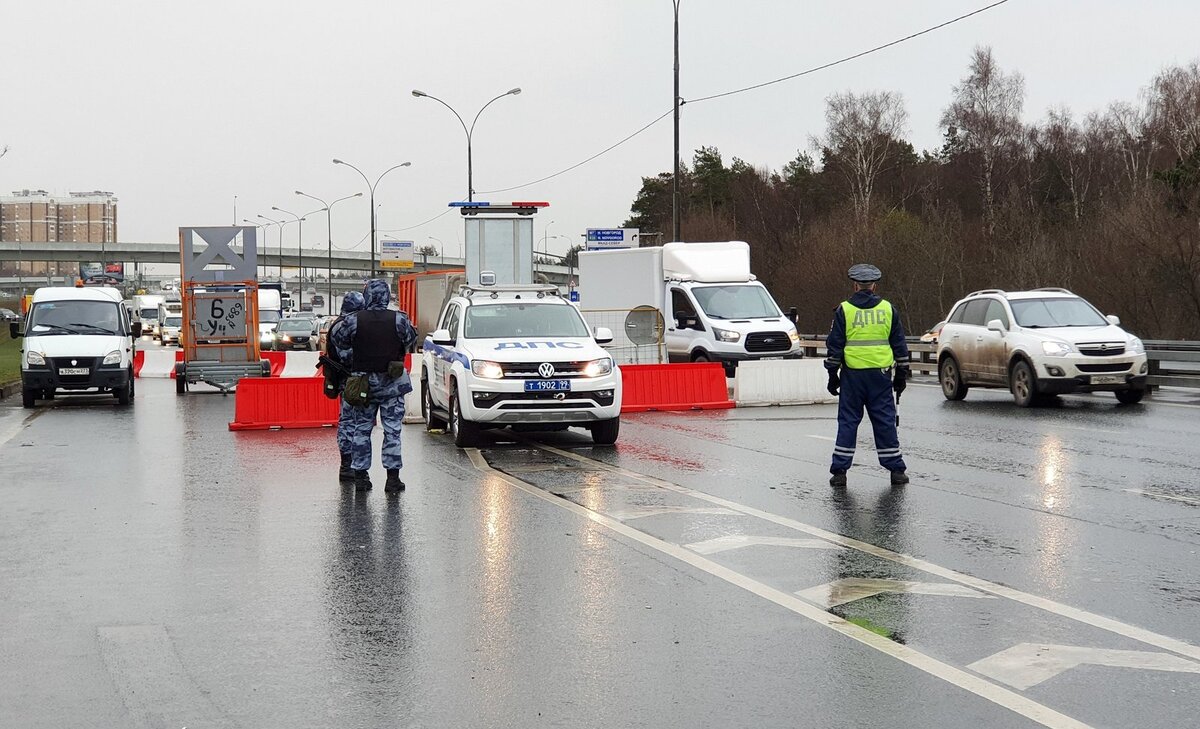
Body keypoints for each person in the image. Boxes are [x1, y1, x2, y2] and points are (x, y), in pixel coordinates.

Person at [824, 263, 910, 488]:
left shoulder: (844, 310)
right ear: (874, 285)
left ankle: (840, 472)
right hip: (880, 376)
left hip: (853, 376)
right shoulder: (889, 309)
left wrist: (832, 375)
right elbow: (899, 344)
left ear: (855, 285)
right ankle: (896, 469)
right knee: (884, 421)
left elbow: (835, 346)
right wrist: (901, 373)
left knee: (848, 422)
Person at [330, 280, 417, 494]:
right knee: (392, 431)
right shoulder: (399, 319)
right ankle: (392, 479)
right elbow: (410, 340)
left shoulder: (353, 321)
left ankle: (360, 477)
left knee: (361, 429)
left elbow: (339, 341)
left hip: (363, 386)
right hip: (392, 385)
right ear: (387, 296)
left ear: (367, 295)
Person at [328, 291, 365, 484]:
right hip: (349, 381)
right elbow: (347, 356)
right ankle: (347, 465)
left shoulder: (340, 324)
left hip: (350, 381)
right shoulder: (342, 327)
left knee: (351, 423)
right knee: (350, 423)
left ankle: (351, 465)